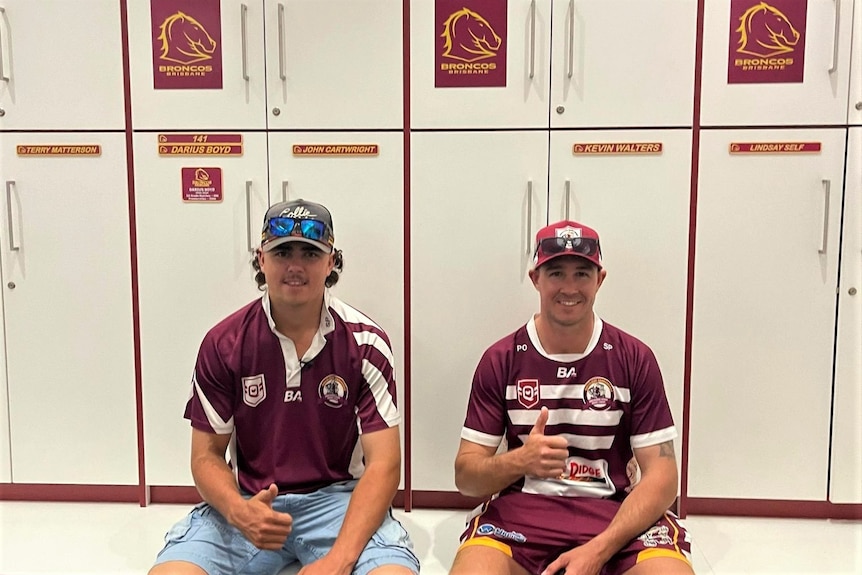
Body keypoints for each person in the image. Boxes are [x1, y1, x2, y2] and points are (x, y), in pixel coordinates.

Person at [149, 199, 419, 575]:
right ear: (262, 259)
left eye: (310, 252)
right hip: (250, 500)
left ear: (331, 262)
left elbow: (385, 463)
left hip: (340, 502)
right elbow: (206, 456)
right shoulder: (224, 343)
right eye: (282, 252)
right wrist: (239, 511)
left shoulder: (366, 343)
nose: (295, 266)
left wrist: (338, 561)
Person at [450, 220, 693, 575]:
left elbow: (664, 476)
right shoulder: (501, 359)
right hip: (522, 515)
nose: (569, 287)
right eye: (556, 273)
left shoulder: (634, 358)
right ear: (535, 279)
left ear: (600, 279)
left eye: (581, 273)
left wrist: (599, 550)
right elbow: (466, 478)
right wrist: (520, 461)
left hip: (616, 516)